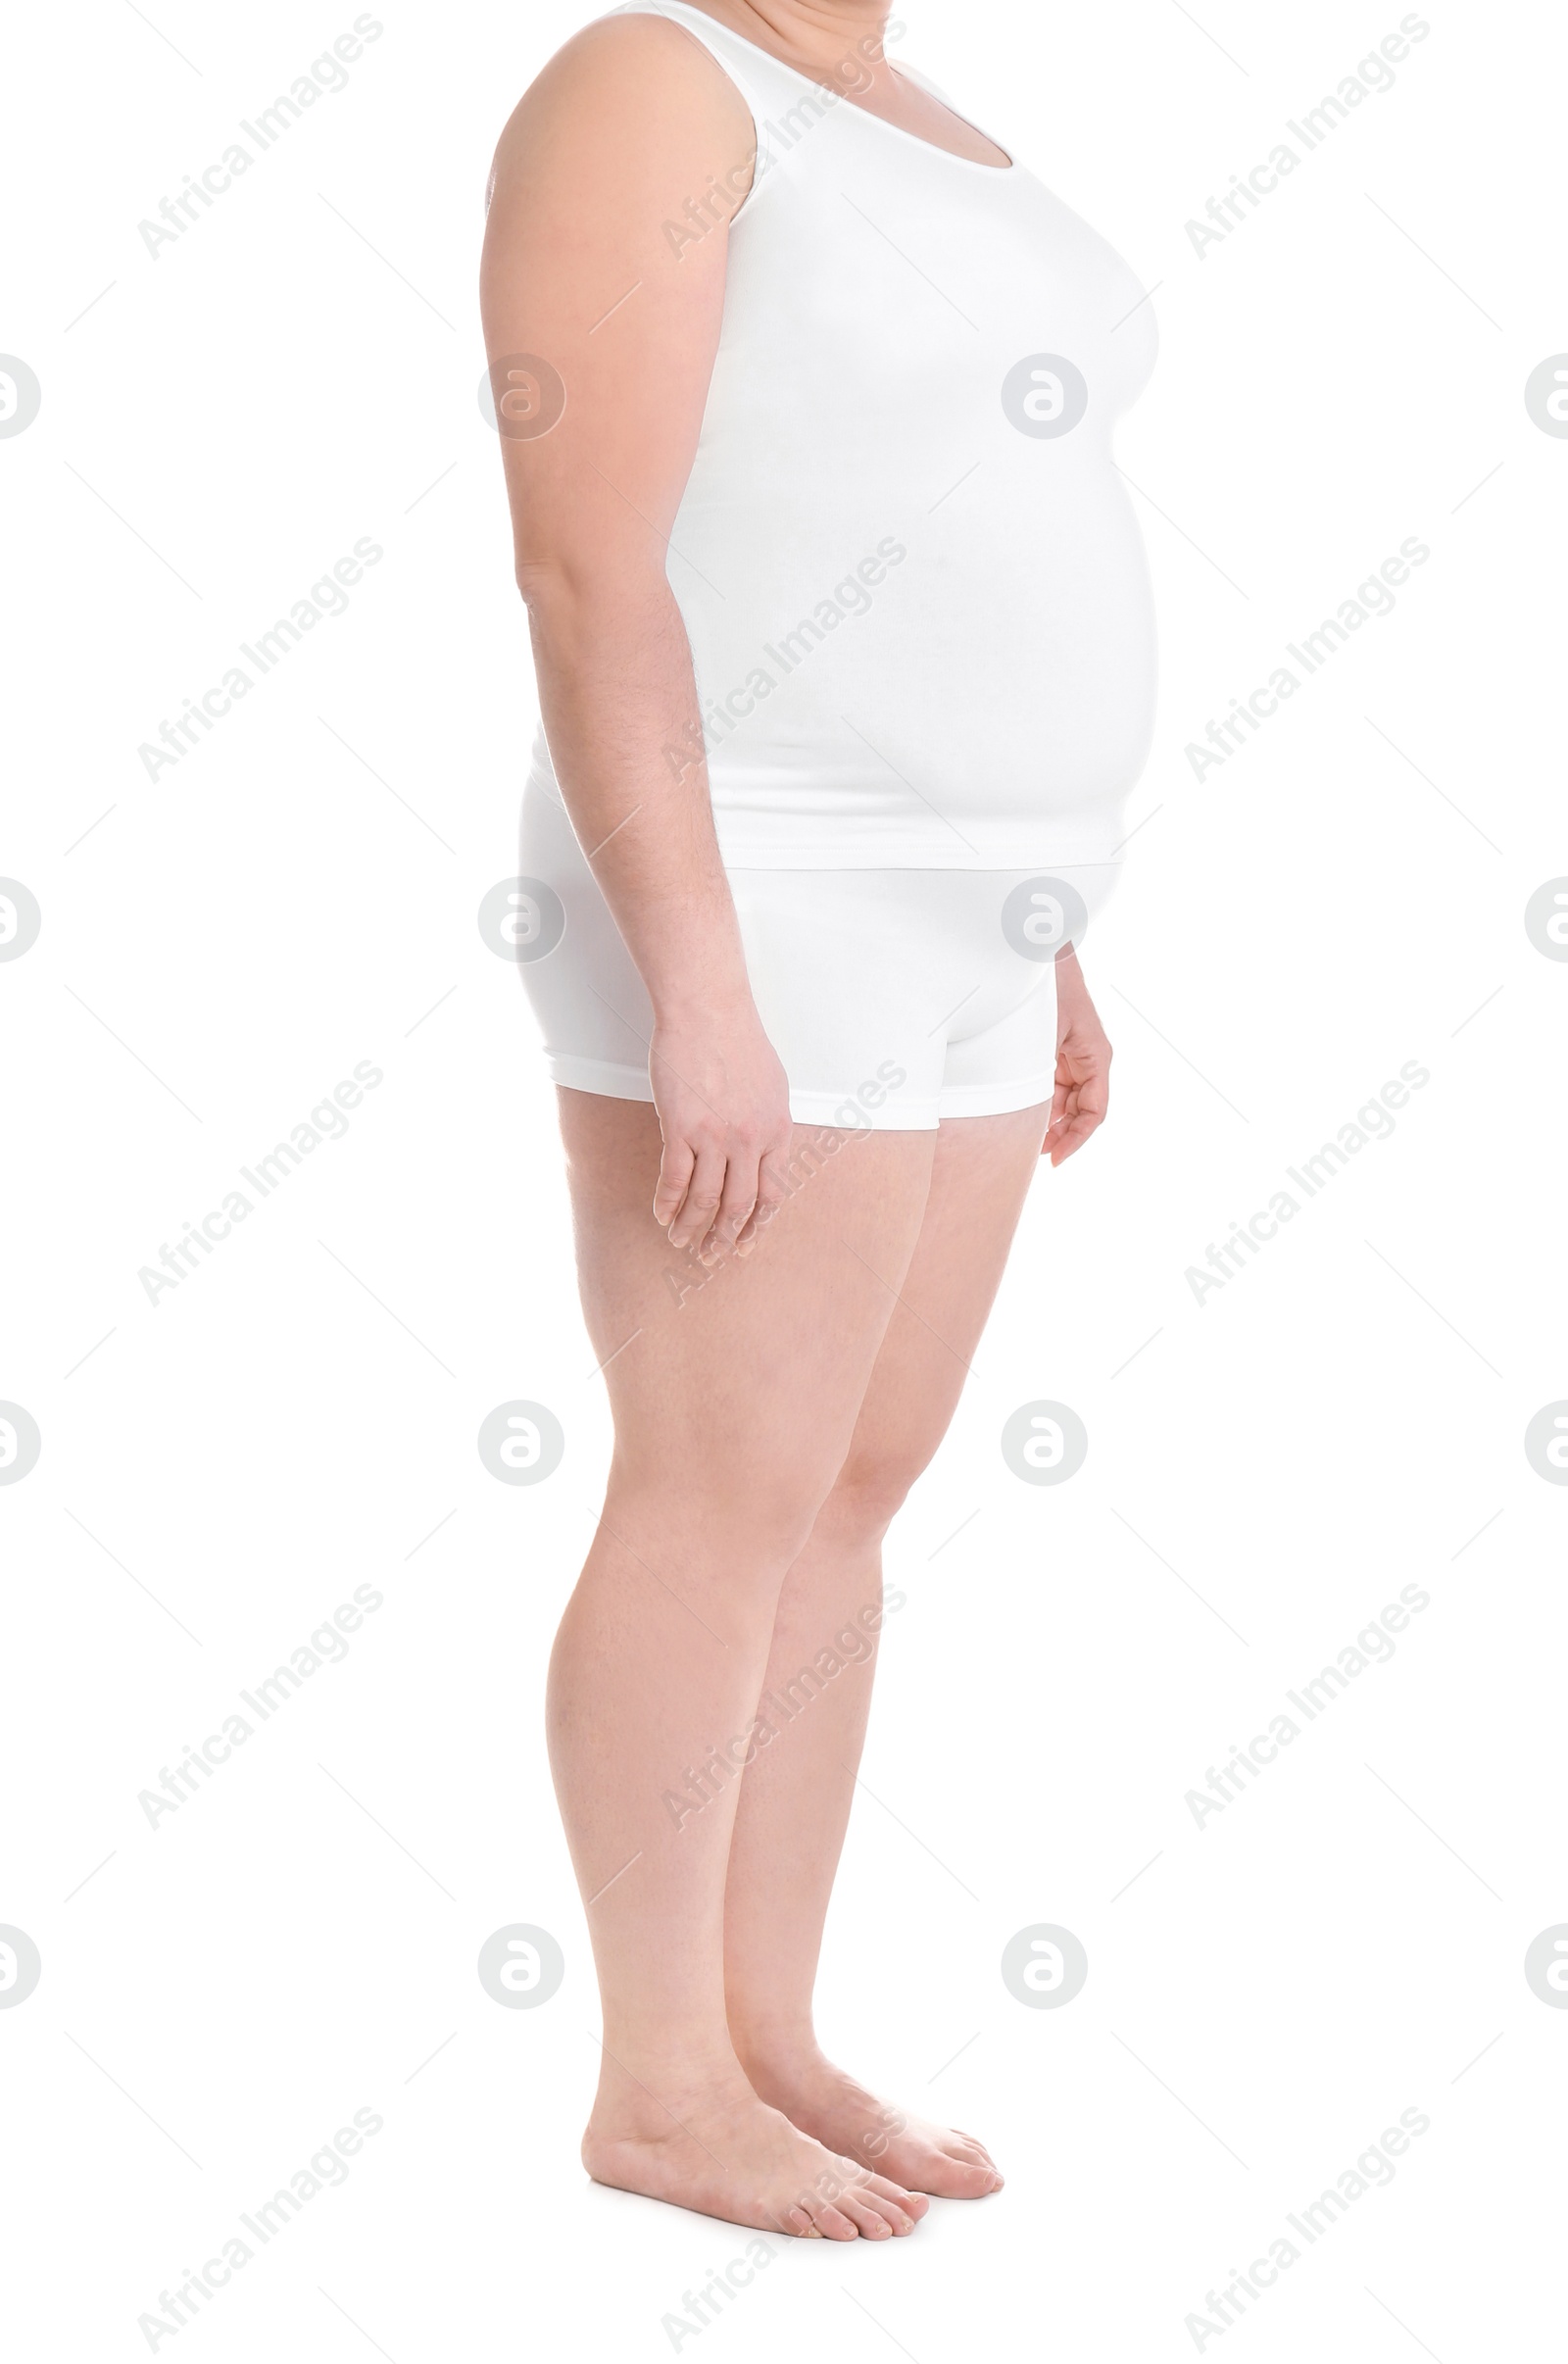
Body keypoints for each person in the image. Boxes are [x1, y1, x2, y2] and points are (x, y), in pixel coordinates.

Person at [480, 0, 1154, 2241]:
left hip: (967, 919)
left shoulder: (913, 111)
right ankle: (654, 2085)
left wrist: (1039, 932)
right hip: (761, 884)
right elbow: (592, 567)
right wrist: (698, 986)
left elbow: (949, 517)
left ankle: (766, 2034)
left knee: (852, 1494)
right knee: (722, 1482)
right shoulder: (652, 77)